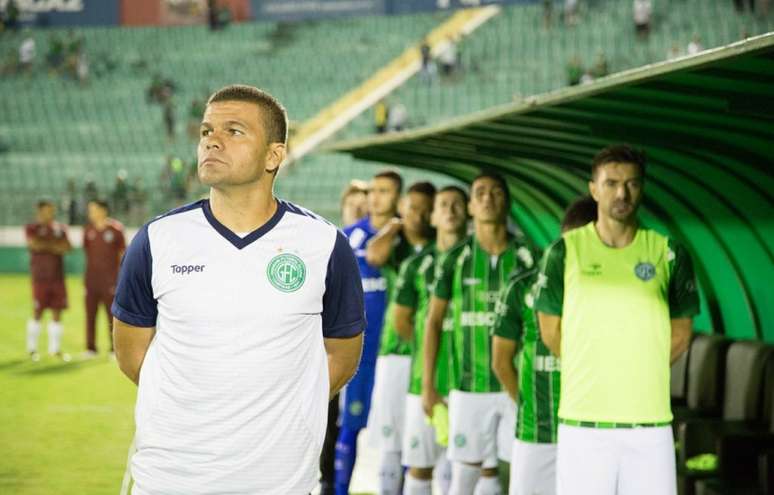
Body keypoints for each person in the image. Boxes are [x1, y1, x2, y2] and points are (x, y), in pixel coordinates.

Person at [112, 84, 365, 494]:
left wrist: (282, 406)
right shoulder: (157, 240)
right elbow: (131, 354)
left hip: (279, 484)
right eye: (206, 131)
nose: (212, 139)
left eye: (233, 131)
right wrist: (202, 401)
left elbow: (341, 354)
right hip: (170, 482)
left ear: (273, 155)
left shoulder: (323, 245)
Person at [535, 145, 699, 495]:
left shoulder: (668, 252)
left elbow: (682, 333)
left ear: (642, 188)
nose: (621, 193)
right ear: (593, 189)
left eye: (631, 184)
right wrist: (597, 370)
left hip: (649, 424)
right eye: (611, 183)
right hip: (584, 424)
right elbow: (550, 330)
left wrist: (638, 370)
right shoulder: (563, 251)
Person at [423, 172, 539, 495]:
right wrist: (429, 385)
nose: (488, 198)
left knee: (518, 473)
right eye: (480, 193)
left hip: (518, 386)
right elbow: (433, 323)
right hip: (468, 387)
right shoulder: (454, 260)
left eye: (496, 192)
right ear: (472, 206)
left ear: (508, 202)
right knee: (464, 480)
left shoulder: (530, 257)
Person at [491, 196, 597, 495]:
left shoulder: (611, 290)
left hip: (592, 431)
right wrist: (527, 406)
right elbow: (501, 361)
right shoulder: (522, 286)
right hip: (535, 432)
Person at [394, 185, 469, 495]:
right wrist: (430, 352)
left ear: (469, 213)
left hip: (467, 382)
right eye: (444, 205)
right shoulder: (416, 265)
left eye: (457, 204)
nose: (450, 211)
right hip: (423, 382)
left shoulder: (479, 258)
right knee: (420, 466)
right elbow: (402, 321)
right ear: (434, 216)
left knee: (470, 464)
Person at [335, 169, 403, 495]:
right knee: (350, 428)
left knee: (400, 432)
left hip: (396, 354)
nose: (376, 197)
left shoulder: (407, 239)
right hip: (358, 353)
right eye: (373, 190)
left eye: (385, 191)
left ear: (398, 198)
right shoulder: (348, 237)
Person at [367, 181, 436, 494]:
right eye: (413, 208)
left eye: (425, 209)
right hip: (395, 351)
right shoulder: (396, 246)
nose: (418, 216)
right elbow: (373, 256)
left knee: (427, 440)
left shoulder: (441, 247)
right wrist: (394, 227)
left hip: (431, 354)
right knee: (392, 439)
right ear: (403, 209)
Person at [318, 178, 371, 494]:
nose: (359, 206)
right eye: (353, 201)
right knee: (329, 418)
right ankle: (328, 480)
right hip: (331, 346)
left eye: (364, 201)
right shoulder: (330, 244)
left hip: (366, 346)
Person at [25, 200, 72, 361]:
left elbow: (67, 247)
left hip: (57, 278)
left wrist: (46, 245)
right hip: (40, 278)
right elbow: (34, 245)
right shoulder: (32, 228)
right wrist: (54, 246)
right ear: (39, 212)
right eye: (45, 211)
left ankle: (55, 349)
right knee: (37, 312)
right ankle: (32, 349)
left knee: (57, 312)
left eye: (51, 211)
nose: (49, 214)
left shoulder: (60, 228)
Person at [82, 200, 125, 357]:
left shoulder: (115, 229)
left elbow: (122, 255)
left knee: (112, 316)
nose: (90, 213)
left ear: (103, 210)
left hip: (111, 280)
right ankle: (90, 348)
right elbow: (87, 252)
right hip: (91, 280)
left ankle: (114, 349)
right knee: (90, 314)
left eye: (93, 209)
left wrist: (121, 279)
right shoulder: (88, 230)